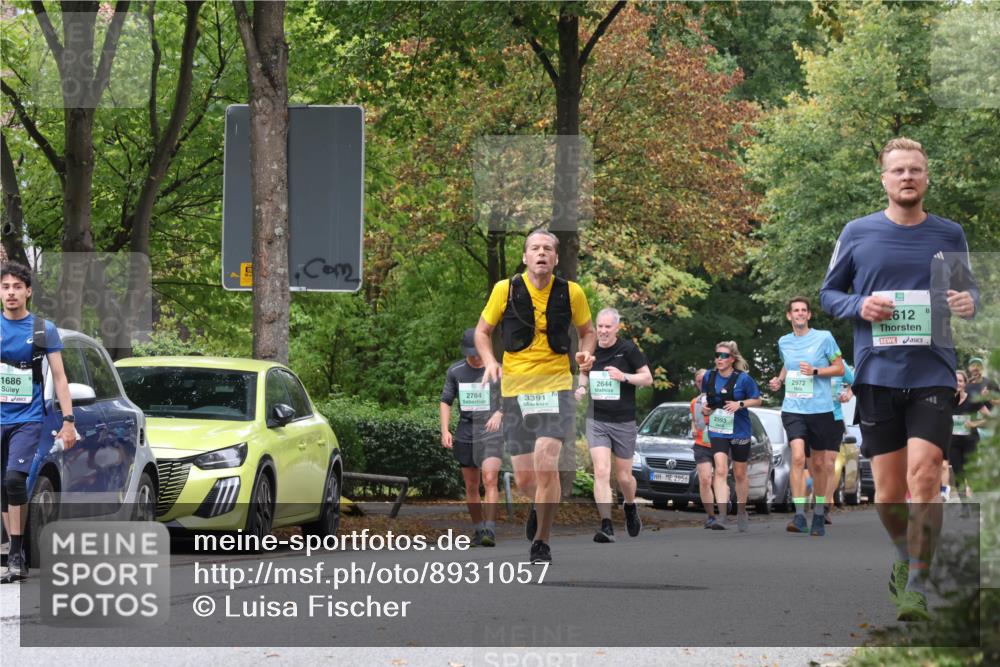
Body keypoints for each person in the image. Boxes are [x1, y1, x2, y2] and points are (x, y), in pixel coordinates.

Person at [820, 137, 979, 621]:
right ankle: (904, 556)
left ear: (927, 177)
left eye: (915, 169)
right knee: (889, 493)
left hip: (933, 370)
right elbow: (829, 294)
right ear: (884, 179)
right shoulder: (858, 233)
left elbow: (970, 292)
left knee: (926, 475)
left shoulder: (949, 233)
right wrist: (859, 305)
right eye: (898, 170)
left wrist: (968, 302)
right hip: (877, 374)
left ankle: (917, 585)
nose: (907, 177)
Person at [475, 230, 595, 564]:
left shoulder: (571, 292)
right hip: (516, 391)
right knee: (526, 479)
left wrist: (586, 355)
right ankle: (538, 506)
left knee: (547, 459)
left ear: (555, 258)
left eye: (547, 249)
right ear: (525, 256)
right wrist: (489, 361)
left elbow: (587, 332)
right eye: (534, 248)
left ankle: (542, 540)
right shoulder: (505, 289)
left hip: (556, 386)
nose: (541, 253)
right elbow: (482, 332)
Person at [1, 261, 77, 583]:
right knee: (3, 487)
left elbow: (60, 378)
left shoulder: (43, 330)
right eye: (6, 287)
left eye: (17, 287)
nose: (11, 293)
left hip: (27, 418)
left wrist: (68, 420)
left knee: (15, 480)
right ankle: (14, 551)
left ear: (28, 292)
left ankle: (17, 555)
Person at [768, 297, 846, 537]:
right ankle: (800, 515)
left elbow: (839, 368)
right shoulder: (784, 341)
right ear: (789, 316)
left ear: (809, 315)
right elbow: (788, 364)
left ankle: (819, 512)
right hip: (793, 408)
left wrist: (816, 371)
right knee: (798, 457)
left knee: (819, 464)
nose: (800, 314)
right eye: (795, 310)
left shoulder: (824, 337)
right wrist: (779, 380)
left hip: (820, 410)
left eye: (804, 310)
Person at [575, 308, 652, 543]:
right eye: (600, 326)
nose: (603, 331)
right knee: (601, 471)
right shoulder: (591, 349)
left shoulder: (628, 349)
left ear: (617, 328)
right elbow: (584, 372)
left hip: (623, 421)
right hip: (597, 419)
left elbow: (647, 378)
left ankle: (629, 505)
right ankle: (606, 525)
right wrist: (581, 387)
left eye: (608, 326)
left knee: (624, 477)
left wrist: (624, 376)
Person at [440, 328, 504, 547]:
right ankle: (478, 530)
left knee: (490, 479)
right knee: (471, 485)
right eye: (470, 354)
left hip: (491, 432)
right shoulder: (455, 371)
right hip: (466, 432)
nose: (475, 358)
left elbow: (511, 396)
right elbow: (446, 401)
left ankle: (490, 529)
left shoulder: (496, 370)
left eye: (478, 353)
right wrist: (445, 430)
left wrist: (500, 413)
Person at [700, 341, 762, 533]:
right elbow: (705, 398)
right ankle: (722, 515)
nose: (719, 359)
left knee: (739, 473)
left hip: (739, 430)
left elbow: (758, 400)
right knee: (720, 469)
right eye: (717, 355)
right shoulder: (709, 376)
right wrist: (705, 408)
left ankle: (741, 510)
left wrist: (740, 404)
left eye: (724, 356)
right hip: (718, 429)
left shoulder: (743, 379)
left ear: (732, 359)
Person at [950, 370, 990, 517]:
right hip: (953, 444)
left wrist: (974, 424)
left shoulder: (972, 399)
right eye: (955, 380)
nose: (957, 383)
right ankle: (965, 507)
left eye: (960, 381)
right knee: (958, 474)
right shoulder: (947, 401)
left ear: (965, 384)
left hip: (970, 442)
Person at [690, 368, 723, 529]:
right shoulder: (694, 402)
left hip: (721, 443)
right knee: (705, 479)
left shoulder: (722, 397)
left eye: (705, 380)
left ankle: (724, 505)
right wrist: (693, 428)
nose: (702, 383)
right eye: (698, 381)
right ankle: (711, 516)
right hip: (702, 444)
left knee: (720, 478)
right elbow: (694, 420)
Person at [823, 362, 855, 522]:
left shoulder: (840, 364)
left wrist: (848, 395)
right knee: (816, 464)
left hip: (834, 418)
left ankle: (824, 506)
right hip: (811, 417)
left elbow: (855, 383)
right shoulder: (809, 360)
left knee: (829, 463)